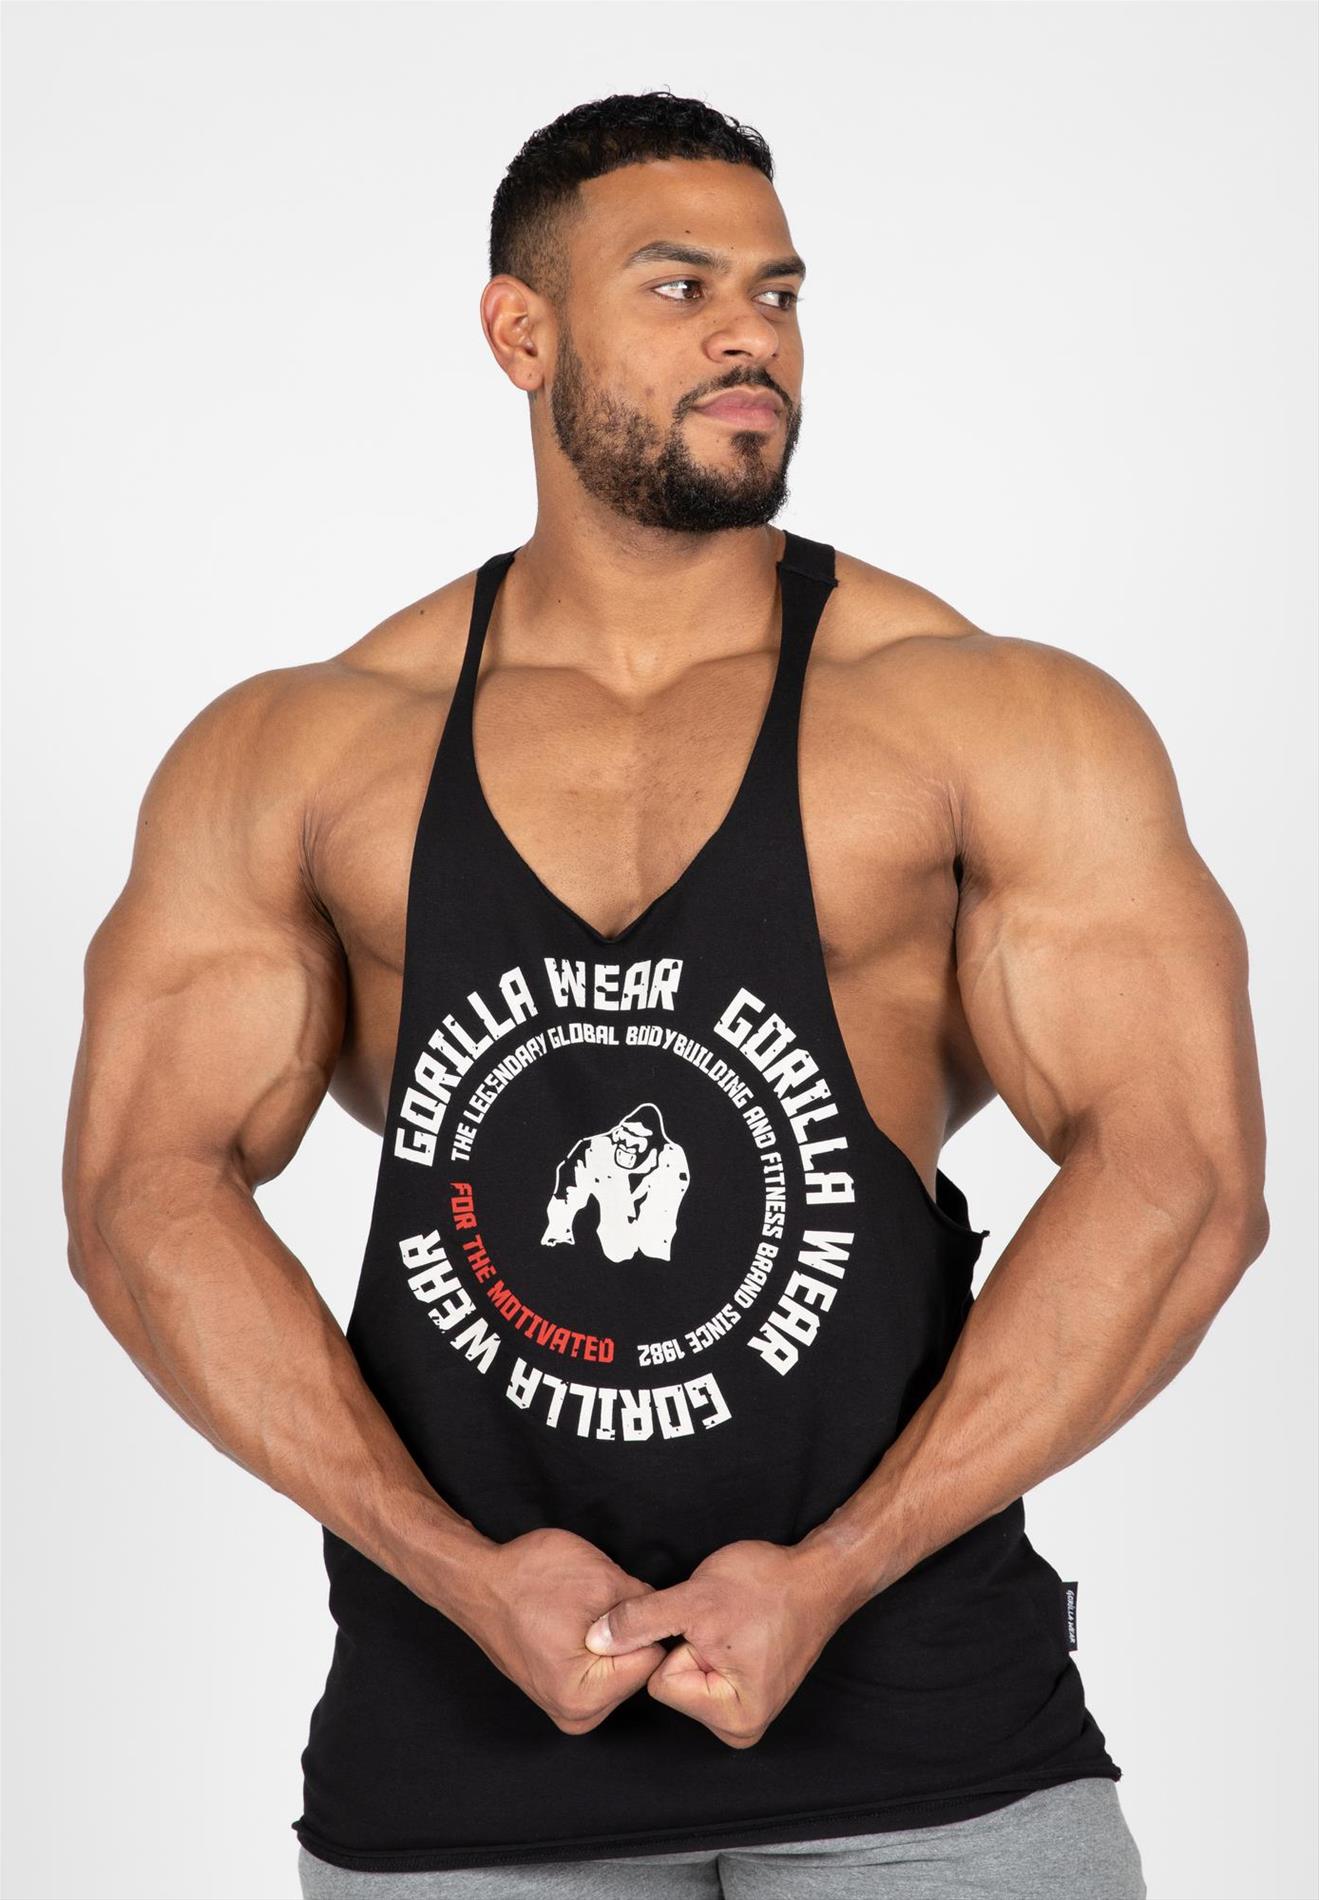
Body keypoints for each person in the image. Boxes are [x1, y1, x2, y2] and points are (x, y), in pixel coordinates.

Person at [62, 89, 1267, 1900]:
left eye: (778, 294)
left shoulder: (992, 718)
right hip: (453, 1762)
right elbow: (138, 1197)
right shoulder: (304, 752)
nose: (748, 336)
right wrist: (457, 1573)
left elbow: (1184, 1179)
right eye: (681, 286)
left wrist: (836, 1573)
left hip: (929, 1748)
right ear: (521, 332)